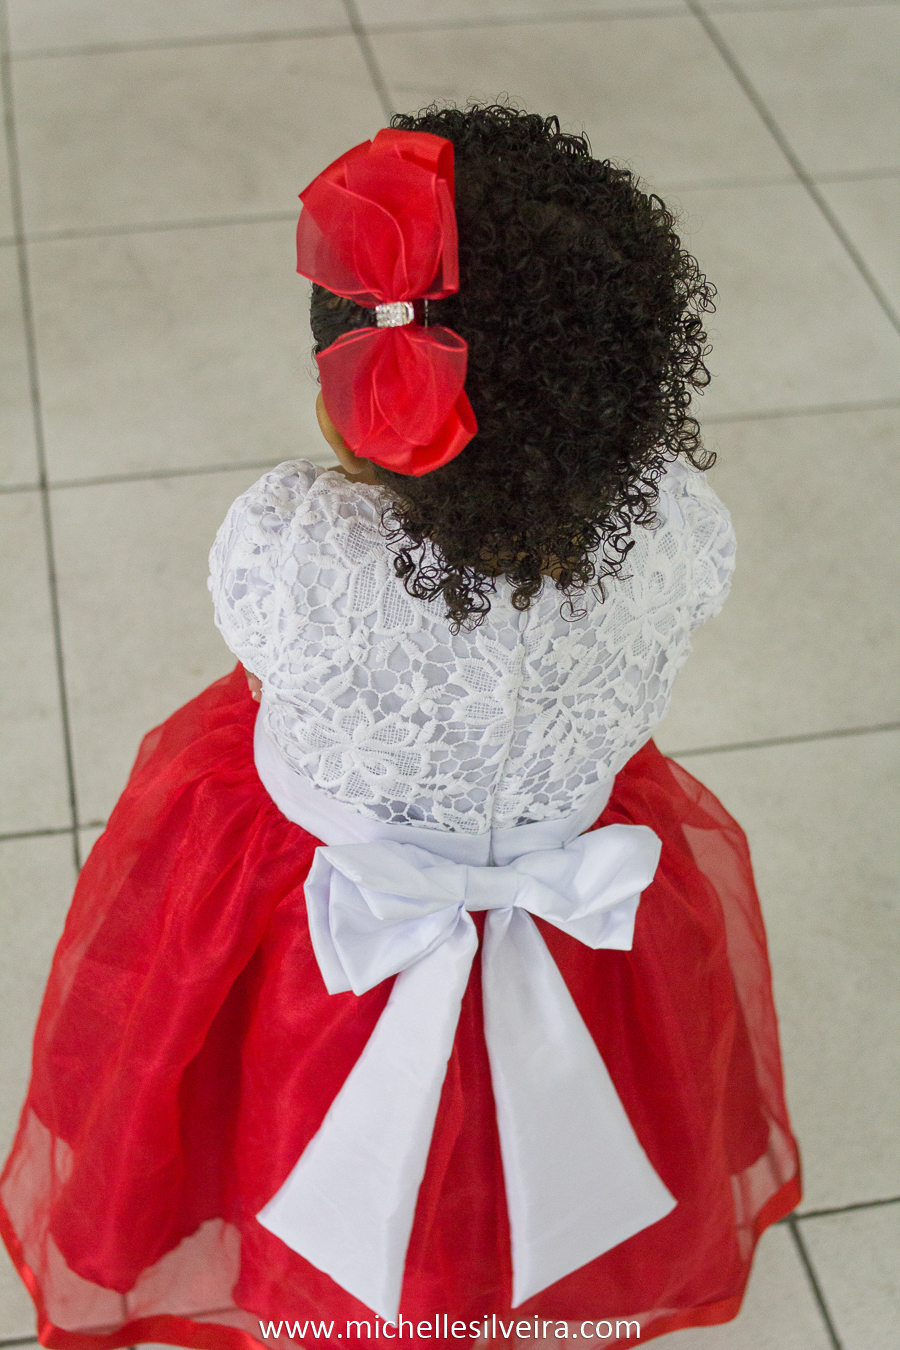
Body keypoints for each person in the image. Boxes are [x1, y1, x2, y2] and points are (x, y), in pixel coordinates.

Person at [0, 104, 800, 1350]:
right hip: (591, 906)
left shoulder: (294, 545)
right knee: (520, 1136)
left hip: (310, 917)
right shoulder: (678, 532)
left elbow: (278, 674)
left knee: (272, 1125)